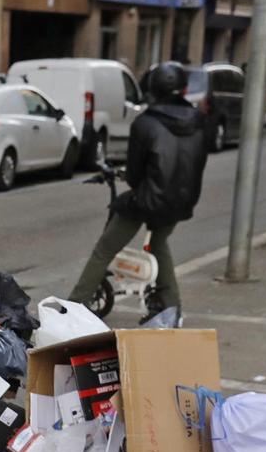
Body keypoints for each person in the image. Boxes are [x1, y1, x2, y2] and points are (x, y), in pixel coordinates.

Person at [70, 62, 208, 317]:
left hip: (148, 200)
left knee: (105, 249)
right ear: (183, 88)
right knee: (159, 241)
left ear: (152, 89)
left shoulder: (145, 123)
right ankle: (172, 306)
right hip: (182, 199)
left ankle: (74, 308)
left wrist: (135, 178)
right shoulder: (200, 121)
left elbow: (134, 177)